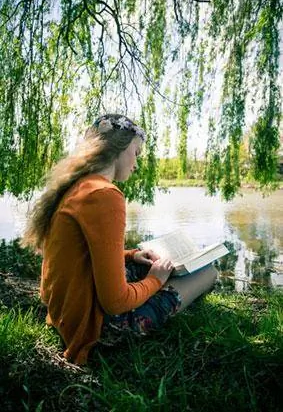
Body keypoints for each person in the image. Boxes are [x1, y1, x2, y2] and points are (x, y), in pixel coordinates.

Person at [22, 114, 217, 365]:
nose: (136, 163)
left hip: (66, 313)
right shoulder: (106, 195)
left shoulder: (78, 185)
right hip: (95, 327)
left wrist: (131, 255)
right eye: (136, 152)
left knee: (152, 265)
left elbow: (83, 255)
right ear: (121, 148)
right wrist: (155, 281)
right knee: (208, 272)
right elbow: (115, 302)